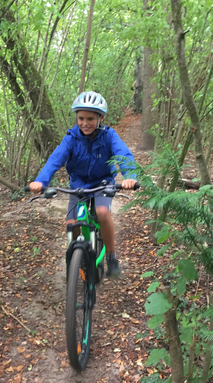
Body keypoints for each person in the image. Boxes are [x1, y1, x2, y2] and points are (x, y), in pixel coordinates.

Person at [29, 91, 137, 279]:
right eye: (80, 118)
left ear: (100, 118)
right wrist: (41, 180)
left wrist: (130, 177)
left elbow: (124, 155)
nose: (85, 123)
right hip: (78, 185)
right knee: (72, 224)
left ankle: (111, 257)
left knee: (102, 213)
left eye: (90, 118)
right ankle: (78, 260)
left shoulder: (109, 136)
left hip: (103, 183)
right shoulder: (71, 138)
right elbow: (55, 159)